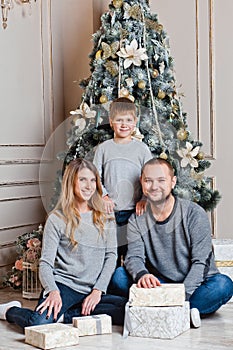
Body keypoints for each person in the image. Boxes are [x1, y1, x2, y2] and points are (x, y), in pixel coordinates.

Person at [0, 159, 127, 329]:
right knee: (39, 323)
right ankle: (9, 310)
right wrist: (53, 291)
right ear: (71, 182)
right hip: (64, 286)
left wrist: (98, 290)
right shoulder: (57, 219)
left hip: (92, 289)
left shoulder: (106, 217)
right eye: (82, 180)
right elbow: (45, 262)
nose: (89, 186)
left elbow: (111, 256)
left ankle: (65, 316)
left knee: (126, 309)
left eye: (92, 180)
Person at [109, 158, 233, 328]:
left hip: (196, 284)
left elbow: (201, 262)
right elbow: (134, 257)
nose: (154, 186)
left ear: (173, 182)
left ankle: (161, 311)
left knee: (223, 285)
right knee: (119, 277)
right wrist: (142, 275)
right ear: (142, 183)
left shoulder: (194, 214)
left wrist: (182, 294)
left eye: (161, 180)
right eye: (148, 181)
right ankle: (184, 312)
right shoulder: (137, 220)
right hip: (161, 283)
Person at [93, 97, 152, 266]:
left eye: (128, 120)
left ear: (135, 122)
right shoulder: (104, 148)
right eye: (119, 120)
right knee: (111, 252)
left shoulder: (142, 149)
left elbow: (149, 177)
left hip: (135, 212)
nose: (124, 124)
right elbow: (95, 176)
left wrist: (144, 199)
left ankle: (131, 286)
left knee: (132, 253)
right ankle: (110, 287)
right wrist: (103, 196)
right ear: (111, 122)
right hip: (110, 212)